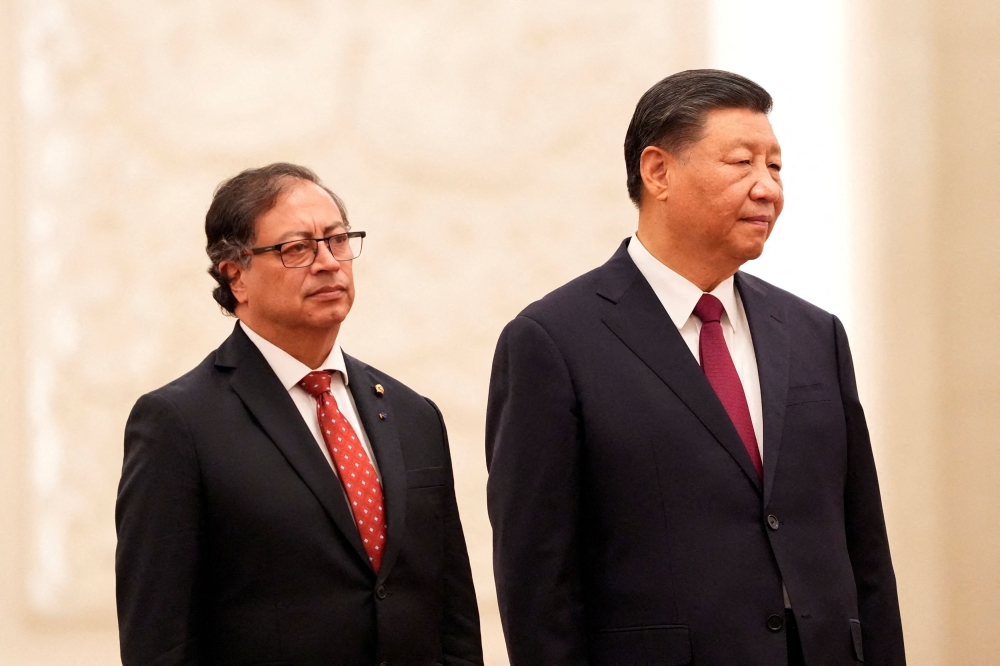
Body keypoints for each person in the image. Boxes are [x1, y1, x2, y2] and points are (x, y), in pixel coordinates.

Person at [486, 70, 905, 665]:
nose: (768, 189)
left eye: (776, 167)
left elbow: (865, 546)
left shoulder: (815, 334)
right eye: (741, 163)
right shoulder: (552, 341)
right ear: (658, 171)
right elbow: (537, 580)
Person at [116, 163, 483, 666]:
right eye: (296, 249)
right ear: (236, 276)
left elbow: (454, 621)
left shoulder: (412, 413)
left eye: (337, 241)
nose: (328, 262)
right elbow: (160, 640)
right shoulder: (178, 424)